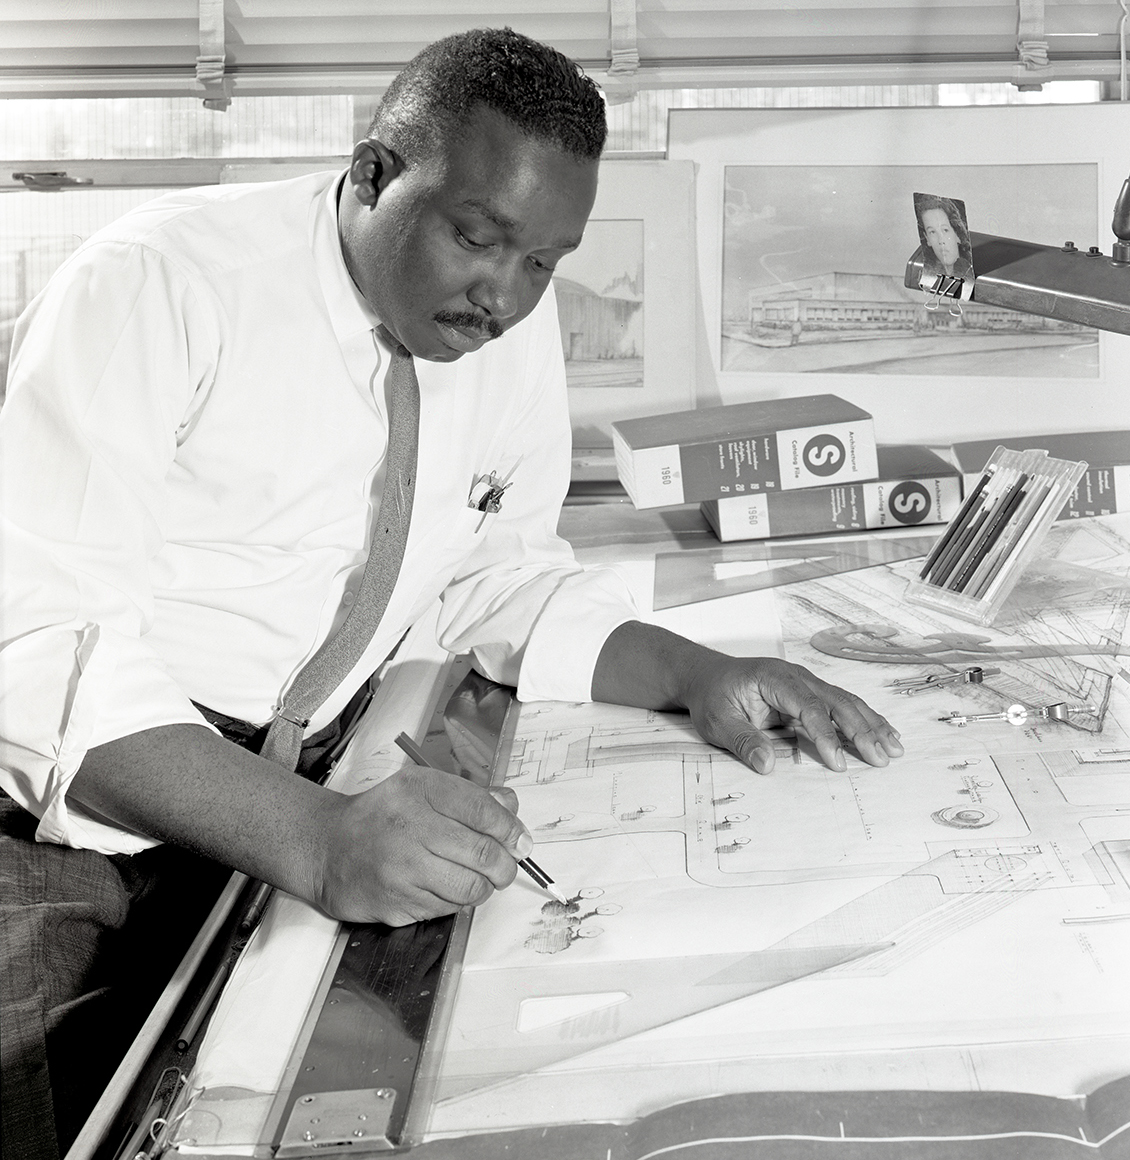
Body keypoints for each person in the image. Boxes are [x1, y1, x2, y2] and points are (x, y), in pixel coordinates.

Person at [0, 28, 903, 1155]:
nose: (508, 295)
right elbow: (38, 647)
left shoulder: (494, 334)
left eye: (544, 262)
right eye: (478, 238)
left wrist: (699, 671)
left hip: (274, 788)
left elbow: (493, 574)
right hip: (54, 821)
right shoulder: (160, 285)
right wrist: (319, 839)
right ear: (373, 175)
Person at [915, 193, 973, 278]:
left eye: (945, 230)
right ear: (927, 239)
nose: (941, 241)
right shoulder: (927, 273)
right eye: (932, 232)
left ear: (957, 233)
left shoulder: (968, 271)